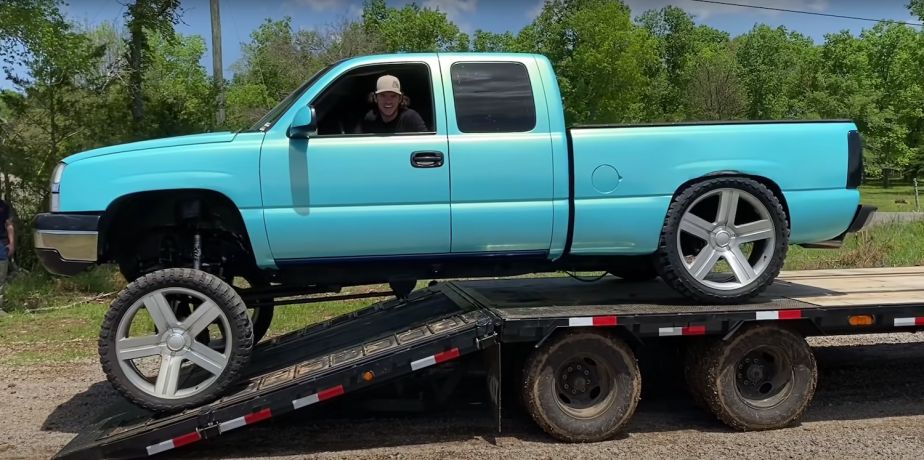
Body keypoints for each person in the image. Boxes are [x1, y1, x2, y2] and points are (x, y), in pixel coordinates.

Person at [357, 75, 428, 134]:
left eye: (393, 96)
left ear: (400, 99)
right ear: (375, 98)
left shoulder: (410, 119)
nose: (388, 101)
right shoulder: (370, 119)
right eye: (383, 95)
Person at [0, 198, 13, 315]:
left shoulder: (4, 205)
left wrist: (12, 243)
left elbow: (9, 224)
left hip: (2, 244)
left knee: (1, 276)